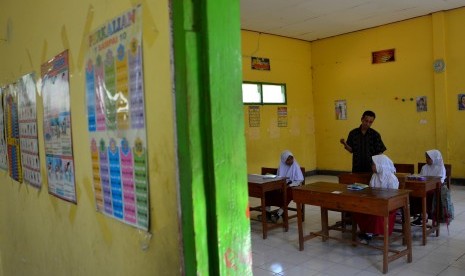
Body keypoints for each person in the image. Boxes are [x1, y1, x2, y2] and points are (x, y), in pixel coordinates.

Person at [354, 154, 399, 244]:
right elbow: (371, 190)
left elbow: (393, 196)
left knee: (375, 212)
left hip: (388, 205)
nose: (372, 166)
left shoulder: (391, 178)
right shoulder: (374, 176)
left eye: (373, 164)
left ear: (380, 165)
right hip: (376, 202)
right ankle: (367, 231)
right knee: (358, 208)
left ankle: (370, 232)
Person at [261, 150, 304, 222]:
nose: (290, 161)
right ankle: (267, 213)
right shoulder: (281, 166)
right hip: (282, 184)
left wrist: (289, 185)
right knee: (268, 191)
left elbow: (299, 180)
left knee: (288, 194)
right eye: (288, 160)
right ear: (284, 161)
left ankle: (278, 214)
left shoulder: (295, 166)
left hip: (292, 186)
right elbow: (278, 177)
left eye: (291, 159)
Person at [411, 149, 446, 226]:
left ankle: (425, 215)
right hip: (424, 187)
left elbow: (440, 181)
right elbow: (421, 177)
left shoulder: (440, 168)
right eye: (426, 157)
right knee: (413, 193)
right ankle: (417, 213)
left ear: (434, 158)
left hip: (435, 188)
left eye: (428, 158)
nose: (426, 159)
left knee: (427, 194)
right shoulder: (425, 167)